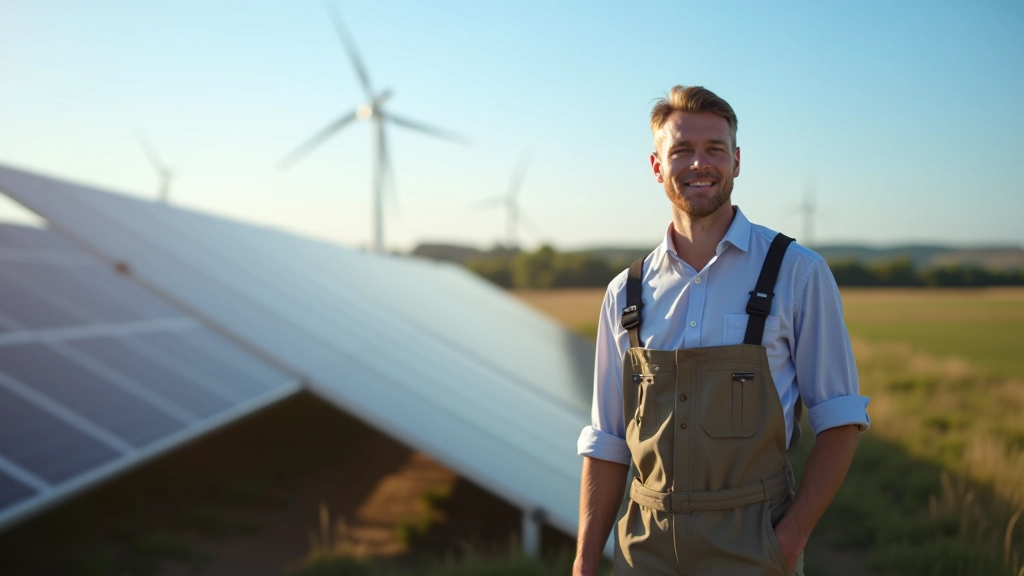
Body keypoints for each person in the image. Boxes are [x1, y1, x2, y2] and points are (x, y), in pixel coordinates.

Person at [572, 86, 870, 576]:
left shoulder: (798, 273)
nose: (699, 164)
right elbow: (608, 442)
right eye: (681, 150)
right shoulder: (624, 294)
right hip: (643, 551)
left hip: (754, 549)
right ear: (656, 166)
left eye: (714, 149)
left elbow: (840, 421)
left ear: (736, 160)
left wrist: (787, 542)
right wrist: (585, 564)